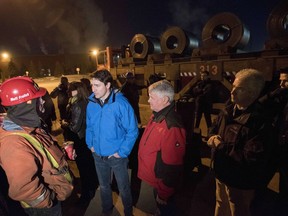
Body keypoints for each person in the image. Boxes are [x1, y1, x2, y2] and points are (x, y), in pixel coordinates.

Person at [207, 69, 280, 216]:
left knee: (238, 210)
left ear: (253, 94)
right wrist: (212, 136)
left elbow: (251, 158)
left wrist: (219, 146)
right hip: (221, 173)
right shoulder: (228, 109)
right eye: (233, 86)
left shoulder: (261, 122)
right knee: (221, 204)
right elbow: (213, 128)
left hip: (240, 181)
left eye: (239, 89)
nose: (232, 92)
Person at [0, 76, 73, 216]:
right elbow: (23, 188)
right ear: (27, 103)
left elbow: (42, 153)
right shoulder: (14, 143)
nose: (42, 102)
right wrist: (49, 200)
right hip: (44, 209)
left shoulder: (29, 127)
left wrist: (61, 152)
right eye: (38, 98)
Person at [86, 69, 139, 216]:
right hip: (98, 155)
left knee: (124, 188)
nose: (93, 89)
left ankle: (128, 212)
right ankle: (106, 211)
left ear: (108, 85)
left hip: (117, 157)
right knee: (103, 186)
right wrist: (90, 144)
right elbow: (89, 126)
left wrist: (121, 152)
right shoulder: (91, 103)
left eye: (97, 85)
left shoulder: (121, 104)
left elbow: (132, 131)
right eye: (92, 85)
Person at [137, 80, 186, 216]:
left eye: (151, 97)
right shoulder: (157, 115)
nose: (148, 100)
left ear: (165, 99)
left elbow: (173, 165)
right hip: (151, 179)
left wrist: (164, 193)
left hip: (160, 185)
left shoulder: (171, 125)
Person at [62, 81, 98, 203]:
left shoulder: (77, 104)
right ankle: (92, 188)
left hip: (79, 139)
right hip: (87, 138)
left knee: (83, 168)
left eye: (70, 89)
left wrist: (65, 123)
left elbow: (74, 127)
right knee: (89, 165)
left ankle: (87, 194)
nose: (68, 91)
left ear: (77, 90)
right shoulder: (87, 101)